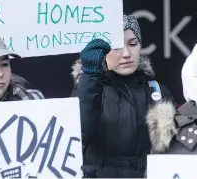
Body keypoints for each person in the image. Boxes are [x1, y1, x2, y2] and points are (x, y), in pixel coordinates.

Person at [71, 15, 176, 178]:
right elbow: (74, 139)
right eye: (116, 46)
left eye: (133, 44)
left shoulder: (158, 92)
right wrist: (90, 78)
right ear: (101, 50)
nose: (126, 53)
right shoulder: (88, 90)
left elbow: (172, 152)